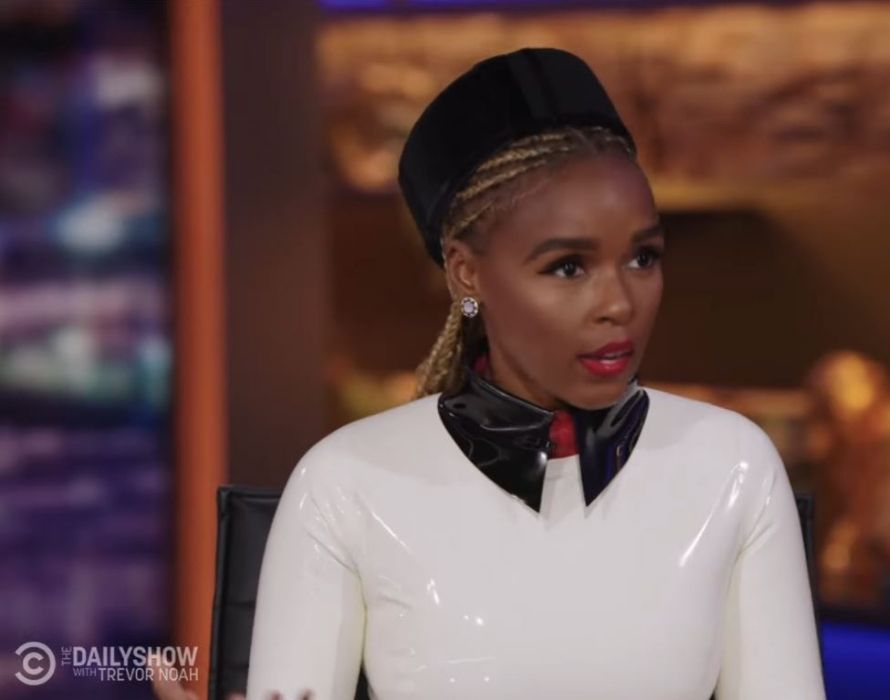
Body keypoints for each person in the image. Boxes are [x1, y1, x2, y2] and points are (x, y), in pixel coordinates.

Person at [233, 47, 824, 699]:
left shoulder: (733, 467)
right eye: (568, 267)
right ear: (467, 273)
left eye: (643, 258)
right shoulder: (345, 485)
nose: (619, 304)